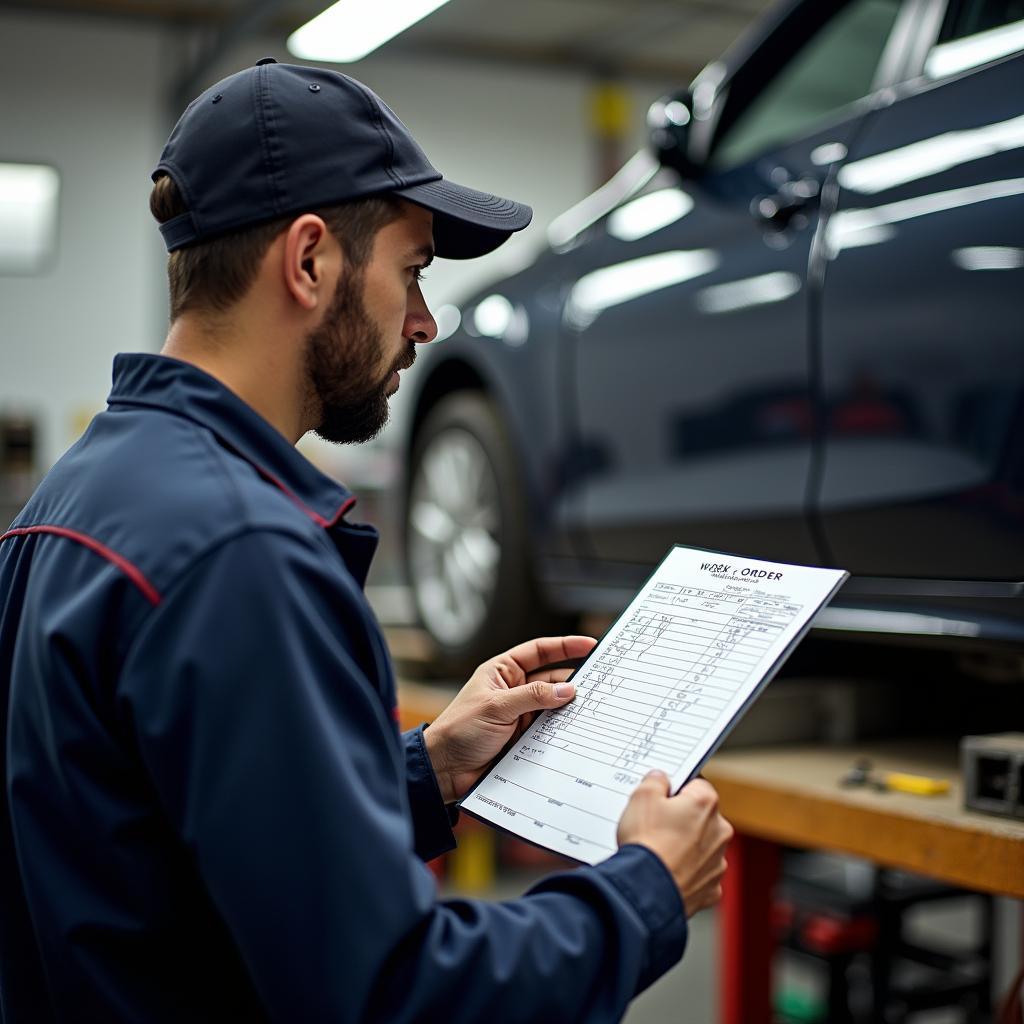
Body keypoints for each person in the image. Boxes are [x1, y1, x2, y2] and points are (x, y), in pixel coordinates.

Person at [0, 59, 733, 1023]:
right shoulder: (243, 553)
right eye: (413, 271)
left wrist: (428, 769)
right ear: (309, 261)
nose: (425, 322)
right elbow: (395, 994)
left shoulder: (76, 494)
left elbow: (159, 838)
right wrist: (646, 889)